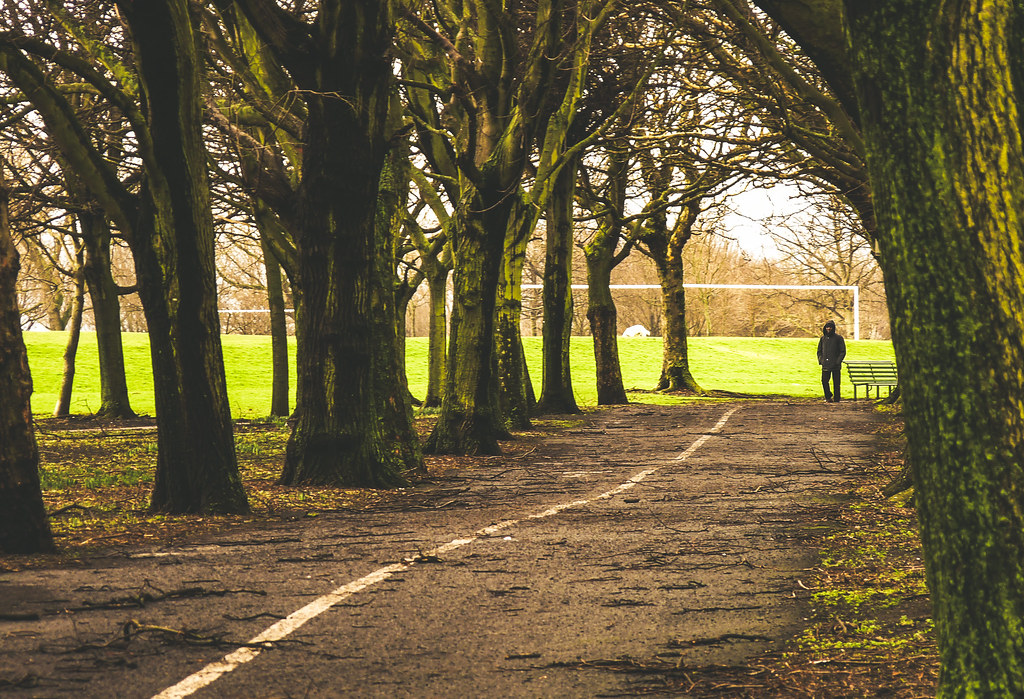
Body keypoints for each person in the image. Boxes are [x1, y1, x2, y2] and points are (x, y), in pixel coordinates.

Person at [817, 320, 846, 402]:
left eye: (830, 327)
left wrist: (837, 361)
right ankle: (828, 396)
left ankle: (837, 398)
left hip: (835, 365)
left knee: (836, 383)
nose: (828, 329)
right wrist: (821, 360)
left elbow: (842, 351)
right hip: (825, 364)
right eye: (827, 327)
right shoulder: (823, 339)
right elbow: (819, 351)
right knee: (824, 381)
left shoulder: (839, 338)